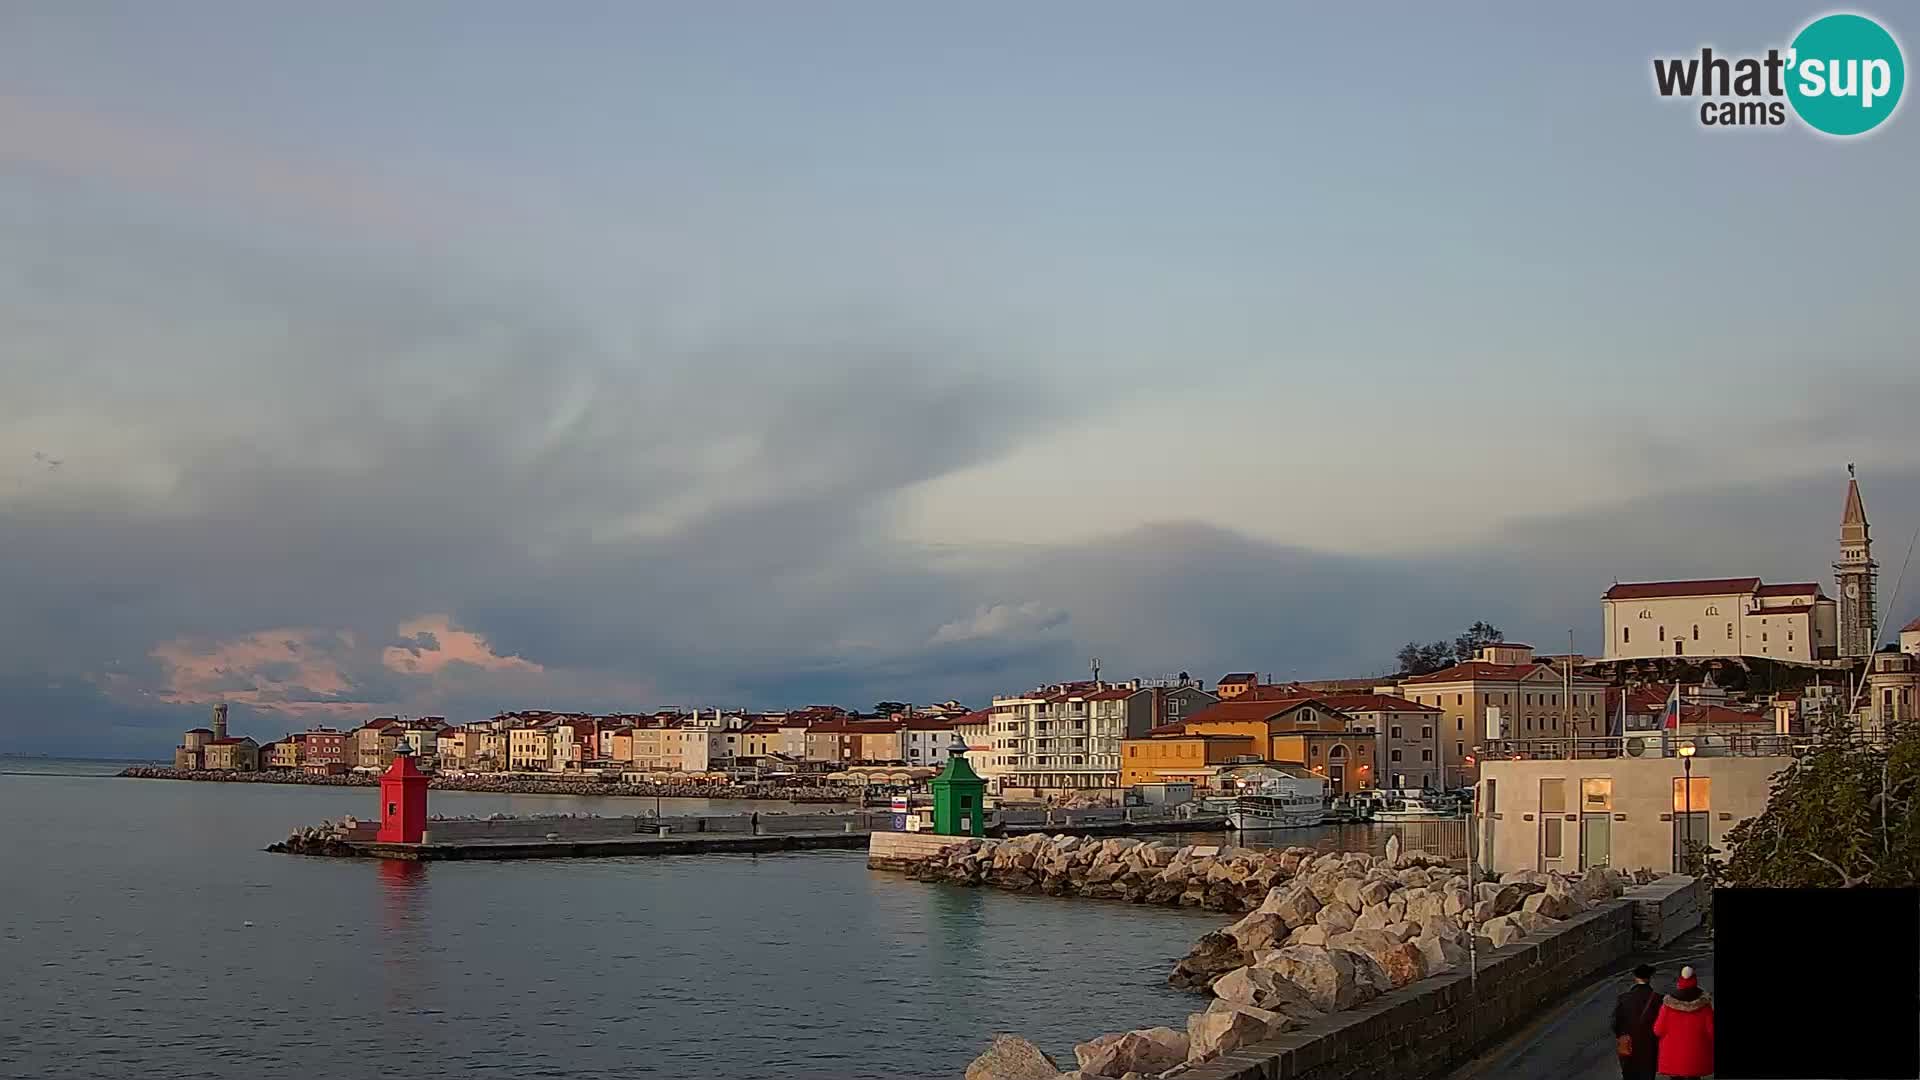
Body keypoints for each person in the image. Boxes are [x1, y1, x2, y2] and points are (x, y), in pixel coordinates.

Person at [1652, 965, 1714, 1079]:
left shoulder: (1668, 1005)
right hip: (1697, 1055)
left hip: (1673, 1055)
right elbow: (1712, 1031)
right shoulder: (1705, 1005)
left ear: (1679, 982)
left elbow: (1658, 1030)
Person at [1612, 963, 1661, 1080]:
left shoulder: (1624, 998)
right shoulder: (1658, 999)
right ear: (1649, 978)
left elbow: (1615, 1023)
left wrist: (1621, 1036)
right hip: (1649, 1044)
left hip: (1629, 1043)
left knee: (1630, 1074)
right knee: (1648, 1074)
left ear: (1635, 978)